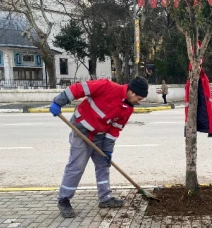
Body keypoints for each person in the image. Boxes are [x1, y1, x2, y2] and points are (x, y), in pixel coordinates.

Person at [49, 76, 149, 218]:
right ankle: (63, 199)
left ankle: (105, 198)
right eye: (139, 98)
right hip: (81, 129)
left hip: (100, 136)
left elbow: (115, 129)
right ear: (132, 92)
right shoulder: (107, 86)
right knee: (77, 165)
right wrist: (59, 101)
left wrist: (108, 150)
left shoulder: (128, 108)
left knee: (103, 164)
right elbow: (79, 88)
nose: (139, 101)